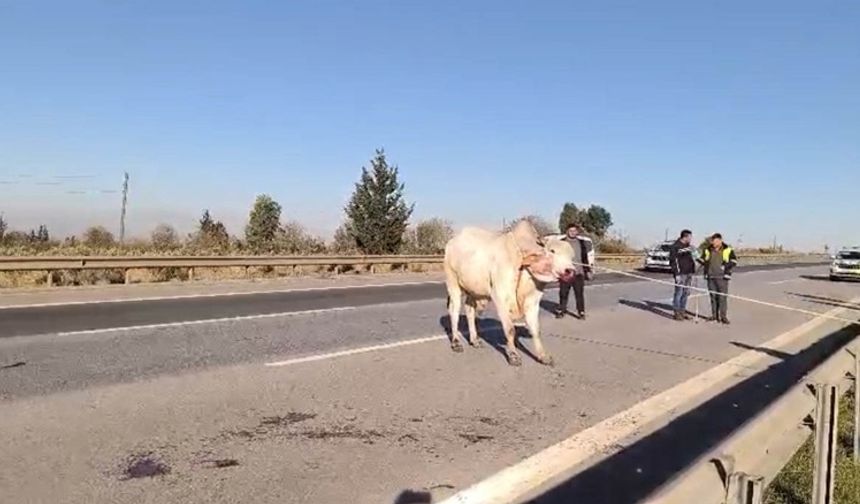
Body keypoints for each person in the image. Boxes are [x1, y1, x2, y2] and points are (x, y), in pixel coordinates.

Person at [555, 223, 594, 320]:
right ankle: (561, 310)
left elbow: (585, 258)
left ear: (577, 232)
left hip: (578, 272)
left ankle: (581, 312)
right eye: (571, 231)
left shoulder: (581, 242)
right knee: (563, 293)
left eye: (575, 231)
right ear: (567, 231)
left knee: (579, 294)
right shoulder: (561, 242)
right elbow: (556, 257)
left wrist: (588, 271)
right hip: (565, 273)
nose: (573, 233)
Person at [699, 233, 738, 324]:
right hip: (711, 276)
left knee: (722, 297)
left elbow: (734, 261)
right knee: (713, 297)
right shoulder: (708, 250)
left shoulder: (728, 250)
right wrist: (698, 259)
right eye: (713, 241)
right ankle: (714, 315)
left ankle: (723, 316)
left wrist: (726, 266)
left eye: (716, 241)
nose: (714, 243)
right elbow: (703, 260)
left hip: (722, 277)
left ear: (720, 241)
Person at [668, 229, 697, 321]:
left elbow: (691, 258)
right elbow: (673, 262)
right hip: (681, 273)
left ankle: (682, 311)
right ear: (685, 237)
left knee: (686, 292)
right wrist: (677, 274)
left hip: (689, 272)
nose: (691, 239)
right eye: (690, 237)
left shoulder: (688, 247)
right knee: (679, 293)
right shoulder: (675, 247)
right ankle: (677, 313)